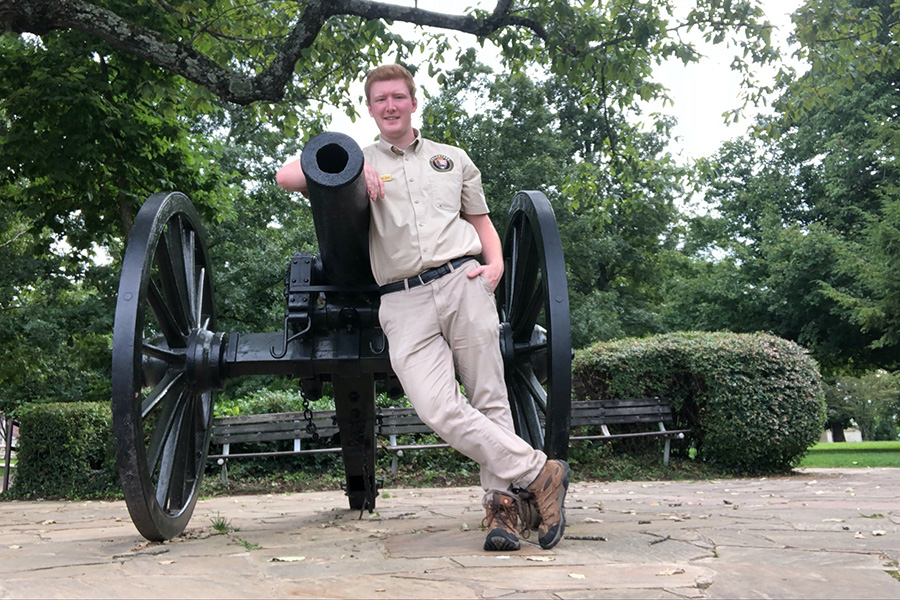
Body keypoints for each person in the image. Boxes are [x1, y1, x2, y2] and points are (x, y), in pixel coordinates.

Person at [276, 64, 570, 551]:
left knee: (489, 395)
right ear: (369, 110)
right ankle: (541, 472)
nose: (389, 106)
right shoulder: (356, 160)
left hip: (461, 279)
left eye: (397, 96)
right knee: (437, 406)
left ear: (413, 102)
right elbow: (286, 175)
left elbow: (480, 221)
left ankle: (503, 512)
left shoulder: (451, 159)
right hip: (400, 298)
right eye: (379, 100)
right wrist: (358, 172)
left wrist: (494, 265)